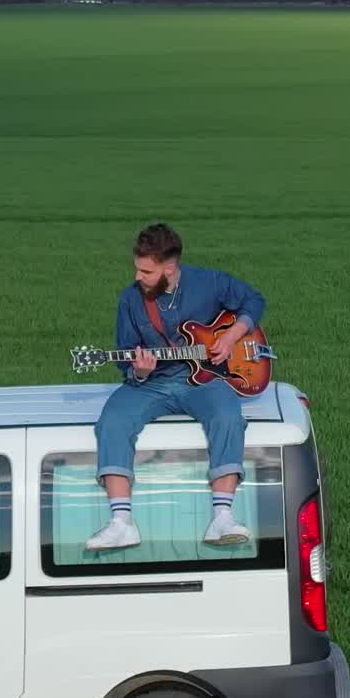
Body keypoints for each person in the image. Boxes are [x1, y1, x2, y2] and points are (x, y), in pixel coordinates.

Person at [86, 222, 266, 551]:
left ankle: (222, 517)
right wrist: (138, 372)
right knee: (112, 421)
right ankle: (121, 523)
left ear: (170, 268)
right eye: (137, 268)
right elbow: (125, 357)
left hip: (205, 380)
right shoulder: (130, 299)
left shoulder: (209, 282)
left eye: (146, 271)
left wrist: (231, 335)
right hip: (152, 383)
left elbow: (253, 300)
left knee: (227, 416)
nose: (138, 277)